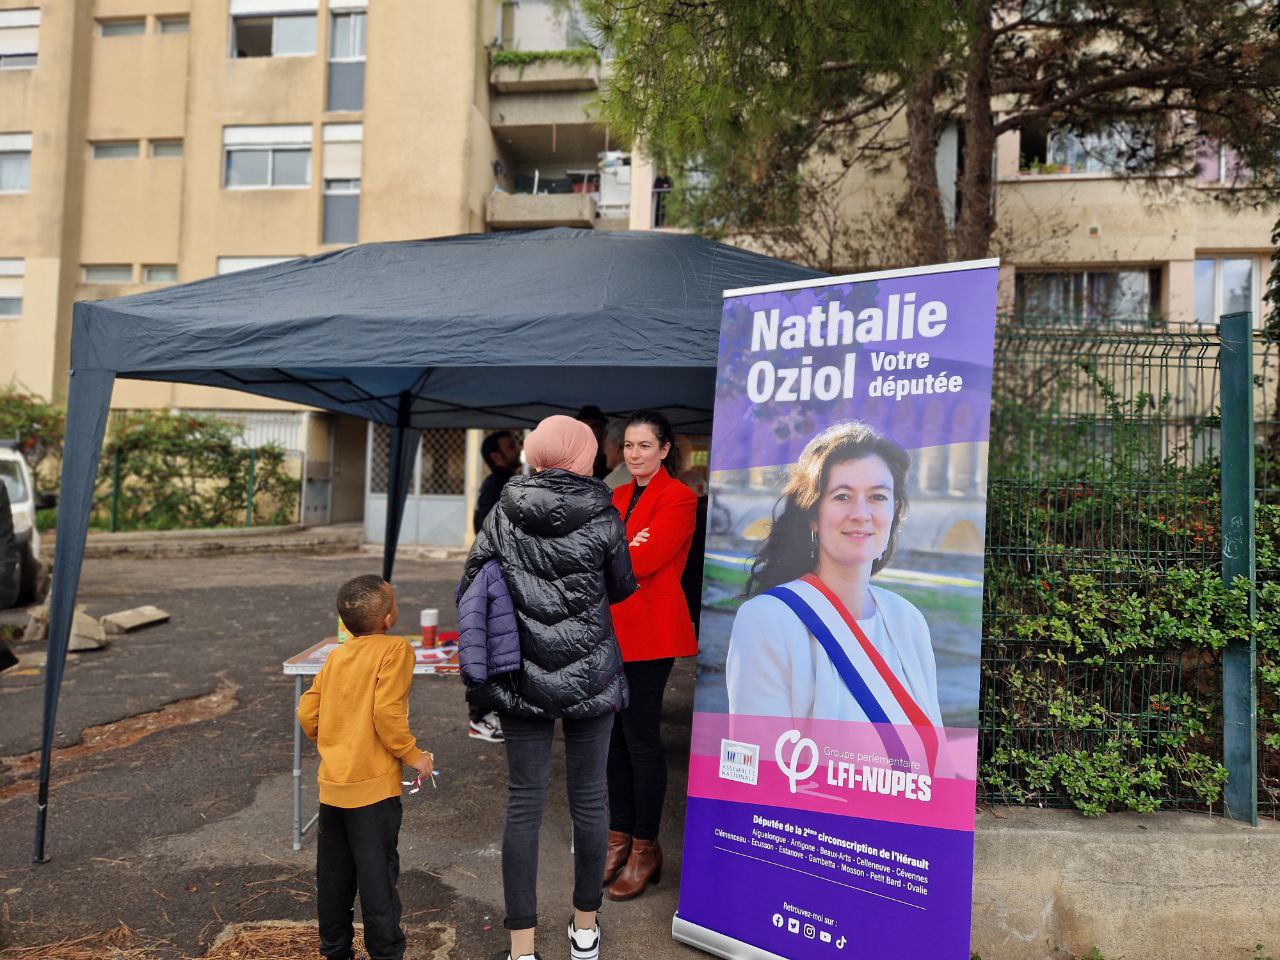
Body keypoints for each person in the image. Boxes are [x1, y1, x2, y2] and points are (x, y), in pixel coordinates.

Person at [460, 415, 637, 960]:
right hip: (591, 673)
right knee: (590, 802)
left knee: (524, 805)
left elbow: (472, 582)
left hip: (520, 675)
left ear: (535, 453)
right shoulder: (605, 513)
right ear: (585, 455)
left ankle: (521, 949)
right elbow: (622, 587)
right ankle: (584, 929)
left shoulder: (501, 512)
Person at [725, 422, 942, 764]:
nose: (861, 513)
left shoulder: (908, 620)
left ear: (894, 510)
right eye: (842, 496)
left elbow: (937, 760)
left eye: (878, 496)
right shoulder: (768, 620)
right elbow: (762, 770)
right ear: (813, 514)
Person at [298, 575, 435, 960]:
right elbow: (386, 712)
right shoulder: (395, 650)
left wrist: (336, 740)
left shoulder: (338, 654)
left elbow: (307, 711)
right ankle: (386, 953)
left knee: (334, 881)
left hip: (333, 785)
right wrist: (413, 755)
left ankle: (336, 951)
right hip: (373, 791)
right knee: (377, 884)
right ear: (389, 617)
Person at [604, 410, 698, 902]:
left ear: (665, 450)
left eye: (645, 445)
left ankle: (645, 847)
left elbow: (644, 557)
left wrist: (605, 556)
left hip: (652, 636)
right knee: (613, 740)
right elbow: (609, 555)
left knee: (640, 740)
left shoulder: (680, 498)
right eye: (629, 446)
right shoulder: (614, 496)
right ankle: (617, 838)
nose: (635, 454)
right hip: (610, 632)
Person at [469, 430, 523, 743]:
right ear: (496, 456)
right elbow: (488, 529)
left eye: (517, 443)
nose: (518, 448)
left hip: (500, 575)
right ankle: (481, 716)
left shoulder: (506, 482)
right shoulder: (499, 485)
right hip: (498, 577)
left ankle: (494, 711)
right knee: (492, 648)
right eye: (511, 445)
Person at [575, 404, 610, 480]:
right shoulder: (567, 462)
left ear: (603, 431)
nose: (589, 430)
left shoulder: (610, 463)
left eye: (595, 426)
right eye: (584, 425)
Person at [601, 419, 630, 490]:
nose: (605, 451)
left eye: (606, 445)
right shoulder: (646, 476)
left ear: (616, 446)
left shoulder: (611, 482)